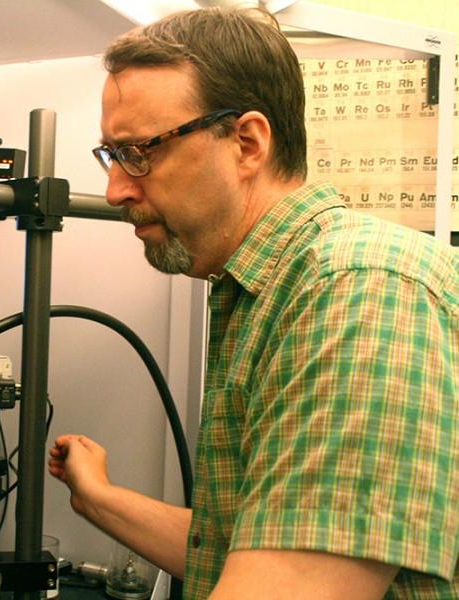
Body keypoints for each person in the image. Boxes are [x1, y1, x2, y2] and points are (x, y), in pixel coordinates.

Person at [48, 6, 458, 599]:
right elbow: (238, 551)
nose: (116, 190)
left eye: (140, 152)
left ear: (246, 143)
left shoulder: (357, 290)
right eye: (112, 156)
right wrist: (98, 500)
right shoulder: (256, 291)